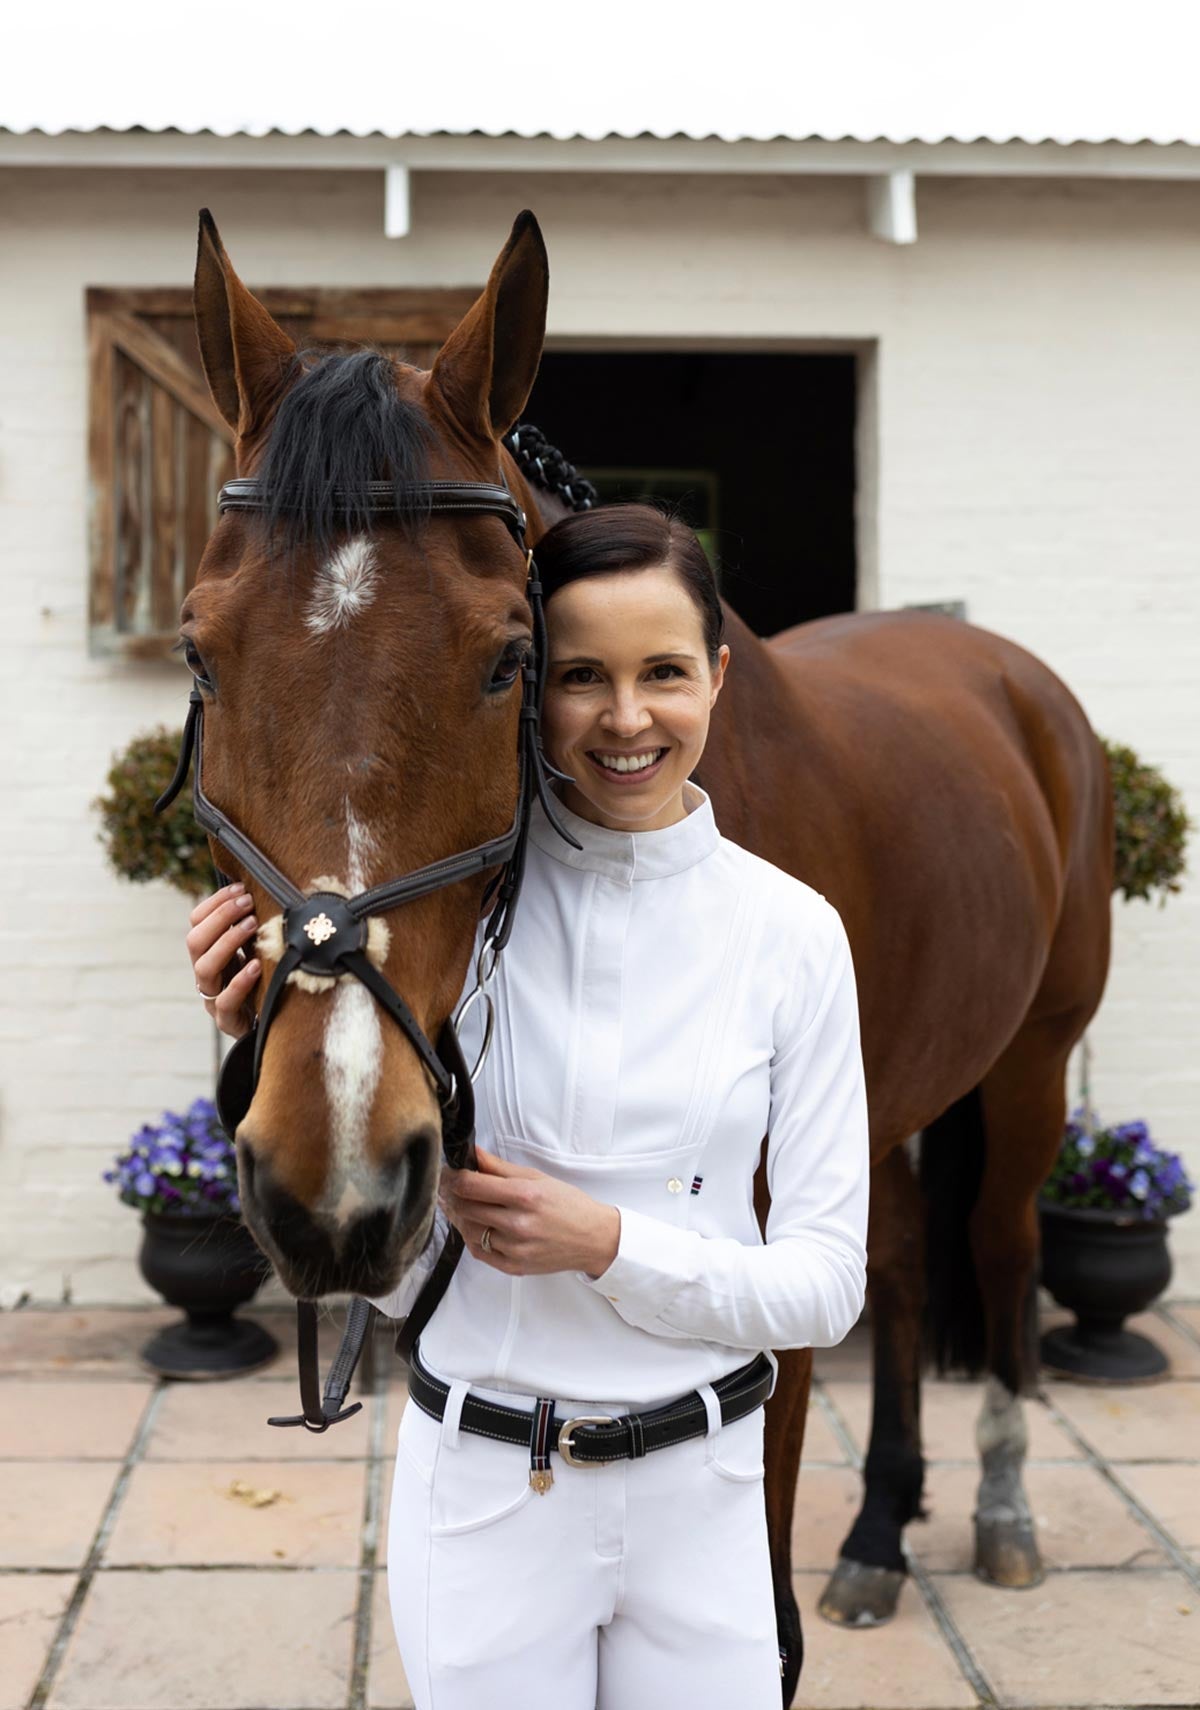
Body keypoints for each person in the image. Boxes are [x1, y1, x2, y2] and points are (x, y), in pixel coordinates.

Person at [186, 502, 870, 1710]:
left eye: (663, 672)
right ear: (529, 692)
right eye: (579, 677)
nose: (625, 717)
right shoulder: (460, 923)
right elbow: (388, 1273)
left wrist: (605, 1245)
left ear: (716, 679)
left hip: (706, 1494)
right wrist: (263, 1036)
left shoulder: (794, 936)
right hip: (491, 1494)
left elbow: (824, 1285)